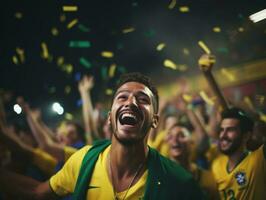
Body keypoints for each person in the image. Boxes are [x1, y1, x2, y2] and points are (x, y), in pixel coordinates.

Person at [0, 72, 204, 199]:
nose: (131, 102)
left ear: (155, 121)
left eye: (142, 99)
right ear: (109, 117)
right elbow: (37, 193)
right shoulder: (84, 160)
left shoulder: (179, 184)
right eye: (122, 96)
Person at [211, 107, 266, 200]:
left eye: (230, 130)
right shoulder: (216, 165)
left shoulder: (259, 159)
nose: (223, 135)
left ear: (246, 136)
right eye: (222, 130)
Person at [167, 122, 219, 199]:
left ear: (192, 143)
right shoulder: (159, 176)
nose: (175, 140)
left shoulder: (206, 178)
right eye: (171, 137)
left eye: (181, 135)